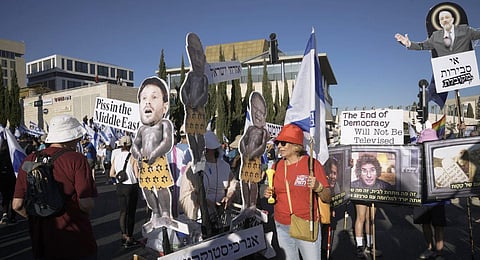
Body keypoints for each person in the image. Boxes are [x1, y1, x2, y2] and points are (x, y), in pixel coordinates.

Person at [12, 114, 97, 259]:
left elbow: (17, 205)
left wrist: (38, 216)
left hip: (41, 242)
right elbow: (85, 203)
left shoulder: (29, 160)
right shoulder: (77, 159)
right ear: (72, 138)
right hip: (75, 241)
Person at [263, 124, 330, 260]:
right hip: (281, 224)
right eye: (278, 143)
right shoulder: (277, 166)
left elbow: (328, 196)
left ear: (296, 146)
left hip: (305, 223)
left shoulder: (311, 164)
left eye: (283, 143)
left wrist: (318, 187)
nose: (279, 147)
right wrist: (269, 193)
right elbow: (274, 192)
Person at [131, 76, 175, 232]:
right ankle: (155, 212)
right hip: (144, 163)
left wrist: (155, 154)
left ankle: (165, 213)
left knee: (162, 187)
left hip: (158, 161)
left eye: (154, 97)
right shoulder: (141, 129)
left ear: (164, 106)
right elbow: (135, 144)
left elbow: (167, 142)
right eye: (144, 98)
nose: (147, 102)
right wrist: (138, 154)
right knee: (147, 189)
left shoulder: (165, 124)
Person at [179, 131, 238, 234]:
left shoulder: (224, 166)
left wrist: (229, 196)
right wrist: (203, 201)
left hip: (222, 216)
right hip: (200, 217)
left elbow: (233, 184)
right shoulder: (193, 167)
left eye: (206, 149)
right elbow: (186, 193)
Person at [414, 128, 446, 259]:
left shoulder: (441, 158)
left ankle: (439, 252)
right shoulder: (415, 157)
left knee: (438, 225)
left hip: (437, 198)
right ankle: (429, 248)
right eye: (423, 143)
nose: (425, 146)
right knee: (425, 224)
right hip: (421, 196)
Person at [352, 154, 391, 259]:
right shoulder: (355, 185)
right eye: (364, 170)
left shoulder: (382, 185)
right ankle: (360, 246)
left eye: (372, 170)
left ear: (377, 171)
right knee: (361, 217)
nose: (369, 175)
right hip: (360, 194)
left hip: (374, 195)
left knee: (371, 219)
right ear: (360, 172)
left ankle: (370, 245)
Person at [395, 10, 480, 56]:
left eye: (447, 17)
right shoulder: (435, 36)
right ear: (440, 23)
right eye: (442, 19)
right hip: (443, 71)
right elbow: (423, 46)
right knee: (432, 88)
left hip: (466, 68)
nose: (445, 20)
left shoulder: (465, 30)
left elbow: (478, 34)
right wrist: (409, 43)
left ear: (452, 19)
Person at [180, 32, 209, 167]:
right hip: (190, 110)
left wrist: (196, 103)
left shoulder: (203, 78)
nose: (196, 58)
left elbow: (204, 94)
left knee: (200, 134)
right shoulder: (191, 75)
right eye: (193, 54)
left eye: (199, 55)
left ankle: (200, 154)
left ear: (203, 58)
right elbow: (184, 90)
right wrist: (187, 102)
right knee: (190, 134)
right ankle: (195, 155)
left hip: (199, 110)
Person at [239, 92, 269, 211]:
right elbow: (243, 141)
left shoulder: (264, 132)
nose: (258, 116)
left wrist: (254, 153)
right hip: (246, 158)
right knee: (244, 181)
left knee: (254, 182)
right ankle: (246, 203)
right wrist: (244, 150)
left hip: (255, 159)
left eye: (260, 114)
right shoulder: (250, 129)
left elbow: (262, 146)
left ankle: (252, 203)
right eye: (256, 113)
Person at [110, 135, 140, 248]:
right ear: (130, 145)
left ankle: (123, 235)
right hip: (131, 186)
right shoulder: (133, 157)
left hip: (120, 186)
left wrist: (119, 176)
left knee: (123, 212)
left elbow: (111, 174)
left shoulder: (116, 157)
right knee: (131, 213)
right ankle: (130, 237)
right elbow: (137, 175)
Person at [0, 139, 16, 224]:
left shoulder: (1, 155)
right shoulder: (13, 154)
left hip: (3, 179)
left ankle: (5, 214)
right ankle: (13, 216)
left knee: (5, 197)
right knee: (13, 196)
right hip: (12, 178)